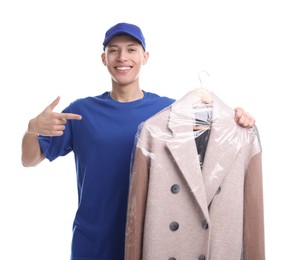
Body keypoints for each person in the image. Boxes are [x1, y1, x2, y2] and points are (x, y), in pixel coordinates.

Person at [21, 22, 256, 260]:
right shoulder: (81, 112)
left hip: (154, 242)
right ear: (104, 58)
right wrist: (32, 130)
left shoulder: (170, 111)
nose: (122, 57)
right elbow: (30, 160)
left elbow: (214, 136)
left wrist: (237, 118)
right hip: (93, 244)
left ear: (145, 57)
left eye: (131, 49)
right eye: (114, 50)